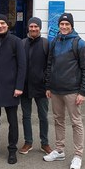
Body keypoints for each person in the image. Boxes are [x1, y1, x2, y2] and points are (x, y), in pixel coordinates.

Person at [43, 12, 85, 169]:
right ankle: (59, 150)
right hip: (56, 90)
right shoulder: (55, 41)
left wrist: (83, 92)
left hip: (72, 91)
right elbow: (49, 65)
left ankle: (78, 155)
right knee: (58, 120)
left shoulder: (79, 43)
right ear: (59, 26)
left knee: (76, 122)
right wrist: (48, 86)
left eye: (67, 25)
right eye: (62, 24)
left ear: (72, 26)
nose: (64, 27)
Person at [0, 14, 26, 165]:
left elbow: (22, 66)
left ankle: (12, 150)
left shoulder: (16, 42)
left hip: (11, 89)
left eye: (2, 23)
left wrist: (19, 87)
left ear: (8, 25)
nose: (0, 26)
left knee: (12, 122)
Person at [19, 17, 53, 155]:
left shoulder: (46, 44)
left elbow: (50, 66)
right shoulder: (22, 43)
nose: (33, 29)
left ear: (40, 28)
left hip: (42, 87)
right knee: (26, 116)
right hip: (25, 86)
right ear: (28, 28)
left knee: (43, 116)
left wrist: (48, 85)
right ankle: (28, 142)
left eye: (36, 27)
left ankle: (45, 143)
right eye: (31, 26)